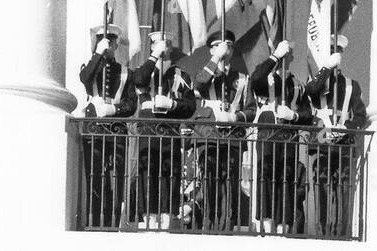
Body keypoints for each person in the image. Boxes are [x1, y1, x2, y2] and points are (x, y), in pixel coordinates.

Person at [127, 31, 197, 228]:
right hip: (148, 130)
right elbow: (139, 80)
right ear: (152, 46)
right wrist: (153, 57)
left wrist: (172, 104)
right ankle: (149, 220)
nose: (163, 47)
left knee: (170, 177)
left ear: (171, 47)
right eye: (158, 43)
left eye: (166, 44)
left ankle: (166, 221)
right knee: (147, 176)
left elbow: (190, 106)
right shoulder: (144, 69)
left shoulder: (180, 75)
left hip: (169, 131)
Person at [302, 36, 368, 236]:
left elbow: (360, 115)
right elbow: (312, 89)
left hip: (342, 143)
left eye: (337, 50)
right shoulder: (317, 81)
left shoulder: (351, 85)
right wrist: (327, 67)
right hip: (321, 142)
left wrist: (345, 128)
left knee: (343, 189)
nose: (335, 53)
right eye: (331, 50)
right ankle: (322, 230)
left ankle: (341, 231)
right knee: (321, 188)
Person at [246, 39, 312, 234]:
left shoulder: (298, 85)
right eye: (283, 53)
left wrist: (295, 115)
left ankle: (283, 227)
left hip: (288, 133)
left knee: (287, 178)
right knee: (266, 176)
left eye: (287, 53)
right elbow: (255, 79)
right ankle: (266, 225)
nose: (286, 57)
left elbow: (308, 114)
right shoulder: (266, 78)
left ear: (291, 57)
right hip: (268, 128)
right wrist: (274, 57)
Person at [79, 23, 137, 228]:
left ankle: (112, 220)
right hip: (94, 129)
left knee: (116, 176)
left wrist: (114, 110)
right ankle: (94, 219)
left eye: (112, 44)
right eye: (106, 43)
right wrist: (98, 54)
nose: (109, 47)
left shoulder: (125, 72)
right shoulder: (90, 66)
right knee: (94, 175)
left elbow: (131, 104)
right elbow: (86, 79)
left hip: (115, 128)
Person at [194, 31, 250, 230]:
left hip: (232, 137)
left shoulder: (242, 78)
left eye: (228, 45)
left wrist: (235, 117)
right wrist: (216, 58)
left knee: (230, 184)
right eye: (219, 45)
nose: (225, 48)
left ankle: (227, 224)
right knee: (209, 182)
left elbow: (251, 110)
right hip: (208, 136)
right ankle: (208, 224)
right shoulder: (205, 71)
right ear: (212, 49)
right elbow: (200, 83)